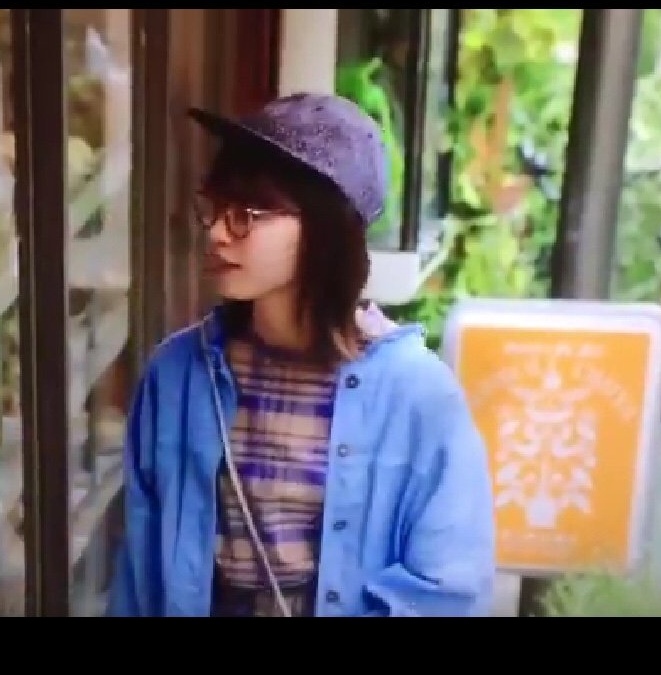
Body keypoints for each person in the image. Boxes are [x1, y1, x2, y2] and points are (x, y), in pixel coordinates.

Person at [106, 92, 495, 617]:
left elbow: (447, 585)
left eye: (245, 214)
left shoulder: (419, 395)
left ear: (323, 228)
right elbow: (139, 574)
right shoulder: (177, 374)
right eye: (213, 209)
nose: (217, 233)